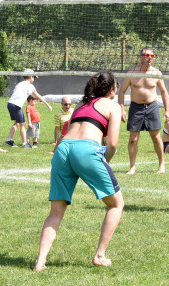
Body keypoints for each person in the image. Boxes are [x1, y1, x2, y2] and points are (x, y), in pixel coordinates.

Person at [34, 72, 123, 271]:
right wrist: (102, 164)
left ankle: (40, 262)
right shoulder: (113, 106)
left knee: (55, 212)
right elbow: (113, 144)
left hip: (63, 150)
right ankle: (99, 255)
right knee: (116, 204)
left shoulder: (80, 107)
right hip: (86, 150)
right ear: (111, 89)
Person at [118, 47, 169, 174]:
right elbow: (122, 91)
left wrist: (167, 110)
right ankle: (132, 167)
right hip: (136, 107)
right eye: (147, 55)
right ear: (140, 57)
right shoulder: (131, 73)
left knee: (156, 137)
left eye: (152, 56)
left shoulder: (157, 73)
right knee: (133, 139)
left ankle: (161, 165)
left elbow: (164, 92)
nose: (149, 58)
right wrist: (121, 109)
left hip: (152, 107)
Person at [5, 69, 52, 148]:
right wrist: (47, 104)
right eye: (33, 77)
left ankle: (9, 140)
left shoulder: (20, 84)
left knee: (16, 123)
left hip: (10, 104)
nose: (34, 79)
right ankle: (25, 144)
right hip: (16, 106)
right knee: (23, 125)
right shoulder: (30, 86)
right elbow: (38, 96)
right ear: (30, 76)